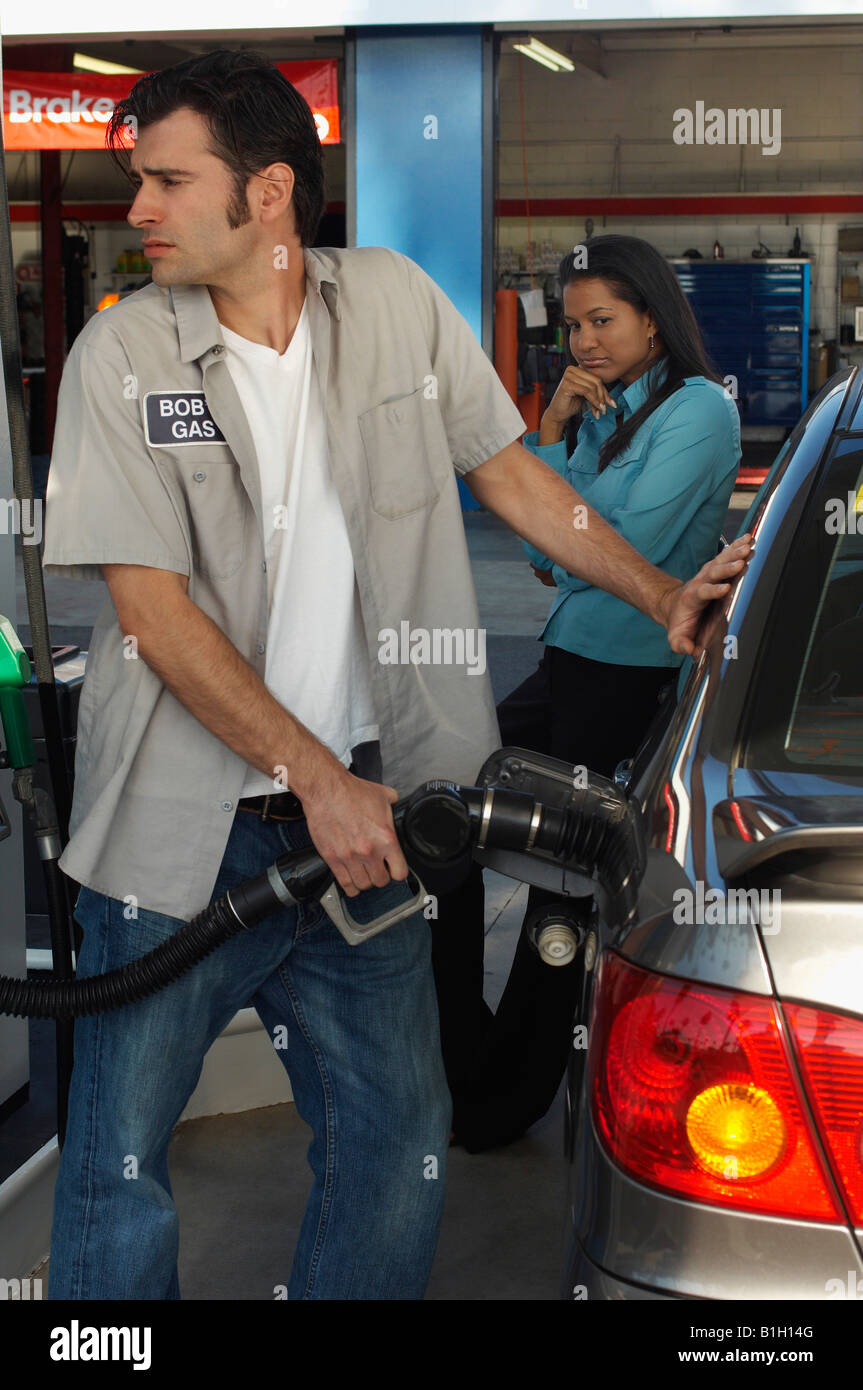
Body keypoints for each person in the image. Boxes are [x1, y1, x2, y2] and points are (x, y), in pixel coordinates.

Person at [41, 52, 751, 1301]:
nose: (137, 209)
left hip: (371, 818)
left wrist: (661, 597)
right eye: (135, 181)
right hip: (180, 838)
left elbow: (510, 470)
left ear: (266, 193)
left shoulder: (392, 303)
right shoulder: (123, 359)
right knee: (117, 1159)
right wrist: (315, 784)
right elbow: (150, 609)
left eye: (165, 180)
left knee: (395, 1138)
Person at [434, 234, 742, 1154]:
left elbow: (609, 539)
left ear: (653, 316)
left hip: (631, 673)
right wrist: (558, 435)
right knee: (440, 825)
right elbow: (542, 553)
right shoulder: (602, 415)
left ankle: (500, 1101)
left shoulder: (697, 413)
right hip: (566, 660)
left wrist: (569, 495)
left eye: (603, 320)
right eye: (571, 326)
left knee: (558, 898)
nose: (584, 343)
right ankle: (458, 1065)